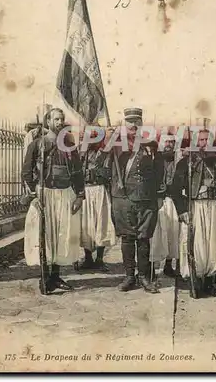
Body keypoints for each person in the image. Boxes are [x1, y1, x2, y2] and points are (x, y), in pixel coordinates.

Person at [96, 107, 164, 293]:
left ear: (142, 124)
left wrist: (159, 195)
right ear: (124, 123)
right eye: (130, 121)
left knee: (144, 239)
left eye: (137, 121)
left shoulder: (151, 144)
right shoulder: (115, 144)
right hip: (123, 198)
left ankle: (143, 277)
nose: (133, 124)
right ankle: (129, 276)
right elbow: (98, 166)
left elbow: (160, 172)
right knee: (127, 238)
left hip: (146, 198)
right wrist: (107, 144)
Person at [22, 108, 84, 292]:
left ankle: (56, 277)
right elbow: (26, 171)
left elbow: (78, 173)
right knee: (44, 235)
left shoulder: (69, 146)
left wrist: (80, 196)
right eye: (56, 119)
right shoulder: (37, 145)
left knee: (61, 234)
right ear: (48, 122)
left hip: (64, 194)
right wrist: (34, 194)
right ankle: (45, 277)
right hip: (44, 194)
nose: (59, 122)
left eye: (61, 119)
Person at [172, 129, 216, 298]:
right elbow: (175, 190)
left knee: (215, 245)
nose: (204, 143)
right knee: (197, 246)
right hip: (196, 207)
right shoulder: (185, 163)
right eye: (201, 140)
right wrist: (183, 210)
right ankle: (196, 283)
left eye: (207, 140)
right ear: (195, 142)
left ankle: (210, 284)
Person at [75, 141, 116, 271]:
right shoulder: (79, 150)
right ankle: (88, 258)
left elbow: (109, 171)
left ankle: (99, 259)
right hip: (85, 189)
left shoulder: (105, 151)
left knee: (102, 223)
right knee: (86, 224)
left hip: (100, 189)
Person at [150, 137, 180, 279]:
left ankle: (169, 264)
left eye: (171, 142)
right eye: (166, 142)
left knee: (173, 233)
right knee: (156, 233)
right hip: (158, 200)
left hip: (173, 200)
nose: (168, 145)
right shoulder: (155, 159)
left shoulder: (178, 160)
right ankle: (152, 266)